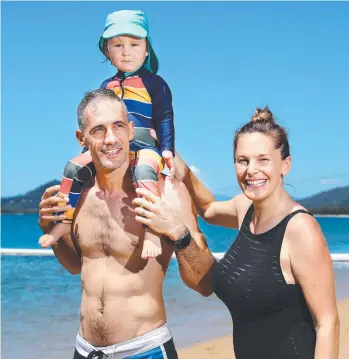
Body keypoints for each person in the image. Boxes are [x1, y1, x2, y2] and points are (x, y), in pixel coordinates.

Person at [133, 107, 340, 358]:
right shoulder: (246, 208)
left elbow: (327, 323)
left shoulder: (300, 229)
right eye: (243, 160)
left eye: (263, 160)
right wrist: (174, 159)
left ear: (285, 164)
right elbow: (208, 208)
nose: (251, 170)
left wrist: (177, 230)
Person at [38, 88, 211, 359]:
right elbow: (74, 266)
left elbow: (205, 284)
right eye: (98, 130)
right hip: (85, 350)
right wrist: (51, 229)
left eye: (118, 126)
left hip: (146, 350)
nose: (110, 139)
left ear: (131, 130)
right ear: (81, 137)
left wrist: (178, 232)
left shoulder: (167, 194)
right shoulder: (78, 197)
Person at [39, 9, 175, 259]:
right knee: (73, 168)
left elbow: (165, 117)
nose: (126, 51)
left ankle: (152, 229)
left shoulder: (155, 83)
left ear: (146, 50)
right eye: (118, 45)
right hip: (109, 145)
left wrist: (167, 149)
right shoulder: (106, 87)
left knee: (144, 171)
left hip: (145, 145)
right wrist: (86, 153)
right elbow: (96, 122)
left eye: (134, 44)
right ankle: (65, 221)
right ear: (107, 51)